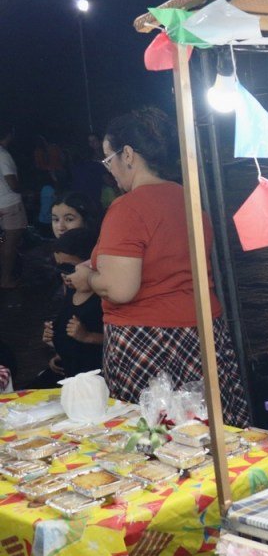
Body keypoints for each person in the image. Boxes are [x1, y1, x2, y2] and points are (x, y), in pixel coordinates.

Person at [66, 108, 250, 426]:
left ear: (128, 154)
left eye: (108, 160)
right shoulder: (188, 199)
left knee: (155, 439)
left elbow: (120, 288)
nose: (109, 171)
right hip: (203, 333)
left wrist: (88, 279)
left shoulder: (128, 207)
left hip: (148, 340)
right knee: (204, 433)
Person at [37, 228, 104, 384]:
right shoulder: (71, 292)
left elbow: (118, 340)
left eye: (69, 269)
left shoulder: (103, 298)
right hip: (68, 372)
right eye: (58, 268)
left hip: (92, 381)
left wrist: (88, 337)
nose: (63, 274)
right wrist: (55, 343)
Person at [0, 123, 23, 290]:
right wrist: (26, 191)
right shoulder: (3, 155)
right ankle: (5, 279)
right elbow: (12, 183)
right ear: (9, 135)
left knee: (3, 242)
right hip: (10, 204)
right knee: (10, 243)